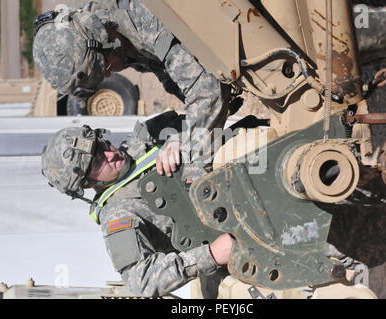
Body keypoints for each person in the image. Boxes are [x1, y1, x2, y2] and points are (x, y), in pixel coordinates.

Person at [33, 0, 236, 184]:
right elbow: (172, 75)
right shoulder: (112, 38)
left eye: (104, 68)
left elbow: (206, 90)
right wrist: (182, 137)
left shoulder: (141, 15)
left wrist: (195, 167)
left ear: (101, 40)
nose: (108, 75)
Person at [41, 111, 233, 298]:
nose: (110, 154)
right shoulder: (118, 215)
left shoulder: (139, 140)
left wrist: (177, 140)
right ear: (88, 183)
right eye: (98, 162)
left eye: (101, 145)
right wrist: (211, 254)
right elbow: (142, 279)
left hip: (235, 175)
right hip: (228, 231)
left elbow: (199, 115)